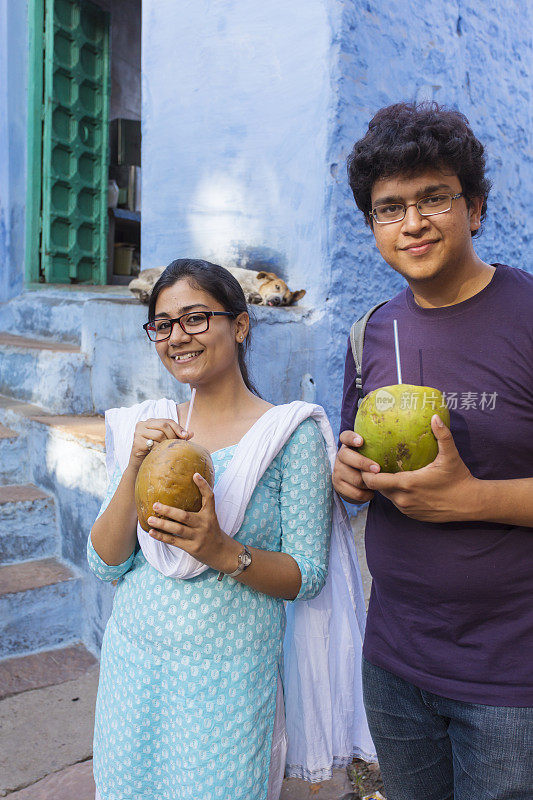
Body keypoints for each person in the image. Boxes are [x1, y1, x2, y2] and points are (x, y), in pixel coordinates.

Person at [88, 259, 371, 800]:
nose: (177, 337)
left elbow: (306, 576)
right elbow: (106, 561)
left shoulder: (289, 435)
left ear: (240, 326)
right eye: (163, 324)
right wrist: (133, 467)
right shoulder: (145, 427)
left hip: (228, 686)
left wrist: (222, 550)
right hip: (134, 671)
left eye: (195, 318)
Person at [333, 102, 533, 800]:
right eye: (390, 208)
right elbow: (351, 461)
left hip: (511, 678)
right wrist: (348, 475)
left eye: (433, 198)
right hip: (394, 660)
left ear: (473, 209)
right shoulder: (370, 333)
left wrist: (472, 498)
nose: (412, 222)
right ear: (372, 228)